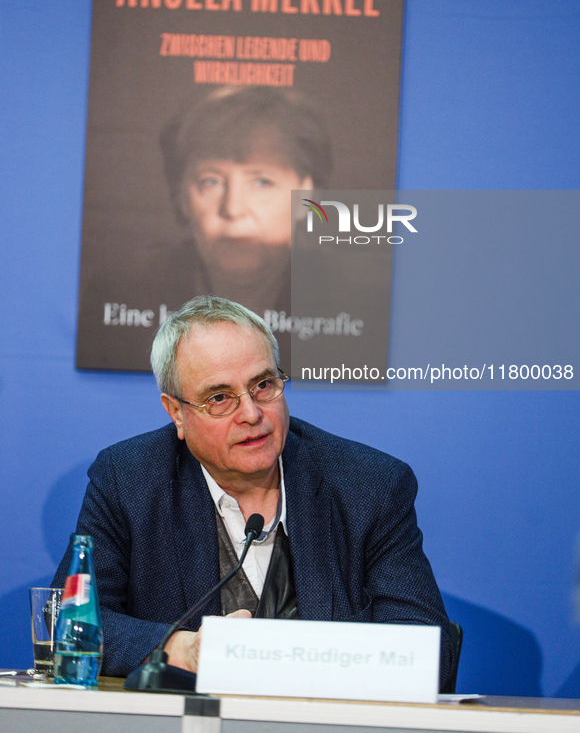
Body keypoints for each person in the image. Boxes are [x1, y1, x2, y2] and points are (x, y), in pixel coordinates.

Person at [57, 295, 453, 688]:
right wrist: (182, 650)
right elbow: (70, 620)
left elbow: (428, 648)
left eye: (263, 385)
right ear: (176, 412)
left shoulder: (368, 486)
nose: (251, 414)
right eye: (219, 398)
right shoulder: (128, 480)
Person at [76, 87, 332, 372]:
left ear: (307, 196)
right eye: (211, 181)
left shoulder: (352, 301)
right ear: (182, 196)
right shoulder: (120, 291)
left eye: (262, 182)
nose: (233, 209)